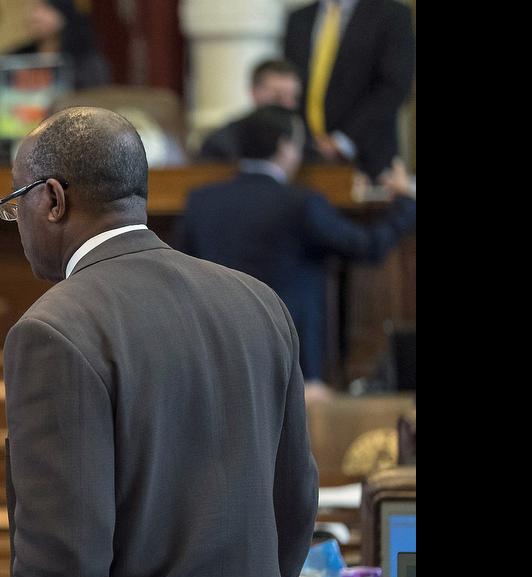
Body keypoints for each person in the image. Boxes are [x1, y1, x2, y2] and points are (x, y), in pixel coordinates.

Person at [0, 106, 318, 577]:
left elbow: (66, 558)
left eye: (16, 202)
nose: (17, 221)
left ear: (53, 200)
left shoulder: (54, 330)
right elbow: (296, 501)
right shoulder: (259, 302)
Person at [178, 105, 416, 398]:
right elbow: (369, 247)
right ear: (284, 146)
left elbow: (181, 278)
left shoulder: (200, 203)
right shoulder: (300, 204)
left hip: (212, 362)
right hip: (292, 366)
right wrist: (405, 203)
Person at [283, 0, 415, 179]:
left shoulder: (392, 14)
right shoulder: (299, 18)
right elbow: (291, 83)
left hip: (367, 160)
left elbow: (394, 86)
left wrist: (342, 141)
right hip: (306, 159)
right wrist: (305, 141)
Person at [198, 58, 301, 162]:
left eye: (293, 97)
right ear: (254, 92)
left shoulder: (305, 141)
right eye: (278, 97)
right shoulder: (222, 143)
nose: (287, 104)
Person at [11, 0, 110, 90]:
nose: (34, 16)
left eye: (45, 8)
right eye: (33, 9)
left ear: (64, 14)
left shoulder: (86, 61)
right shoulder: (17, 58)